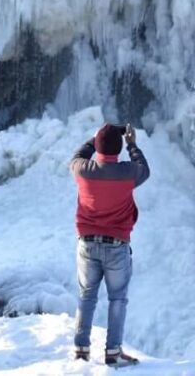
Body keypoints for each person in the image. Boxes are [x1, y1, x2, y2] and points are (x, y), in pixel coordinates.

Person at [70, 123, 149, 366]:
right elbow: (144, 170)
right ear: (119, 148)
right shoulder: (127, 173)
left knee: (87, 297)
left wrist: (94, 139)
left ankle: (81, 350)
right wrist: (132, 144)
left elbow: (76, 157)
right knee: (117, 299)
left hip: (87, 244)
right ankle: (113, 352)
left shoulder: (84, 170)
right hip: (116, 246)